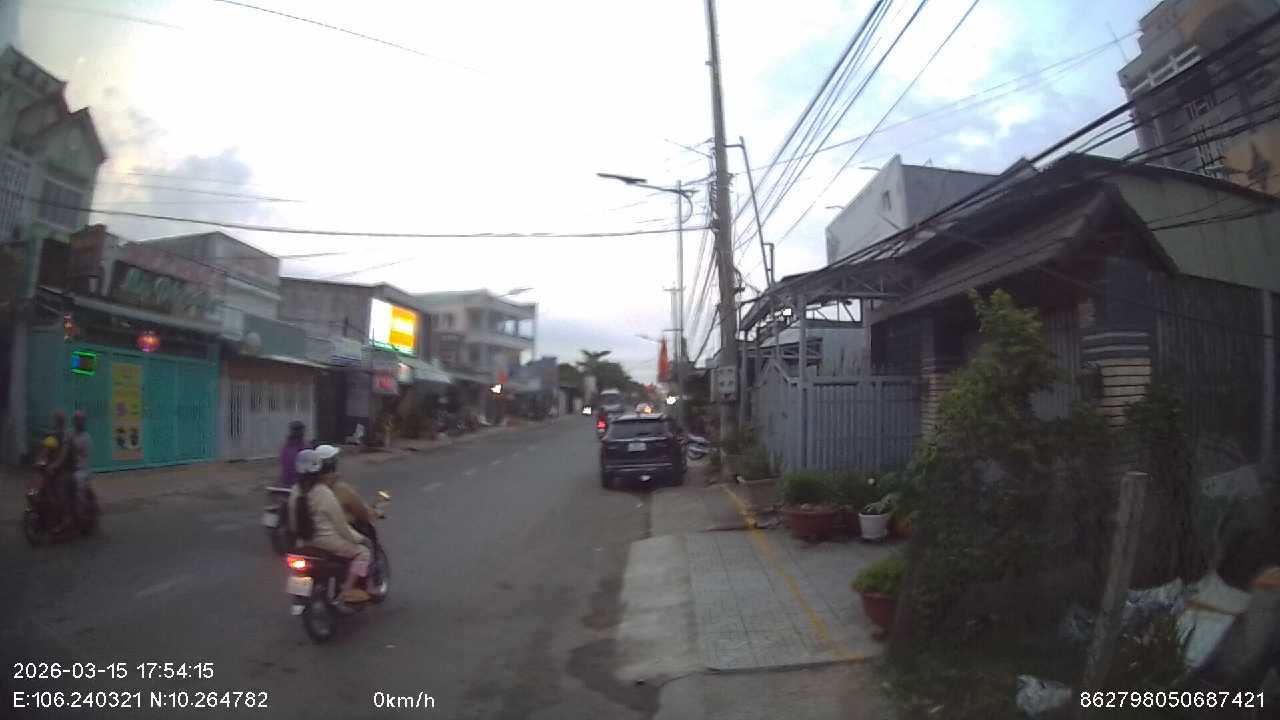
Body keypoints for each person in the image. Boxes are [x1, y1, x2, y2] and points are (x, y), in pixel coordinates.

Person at [288, 449, 372, 604]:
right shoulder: (324, 493)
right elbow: (341, 526)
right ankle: (346, 590)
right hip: (327, 543)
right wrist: (360, 539)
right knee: (364, 553)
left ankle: (301, 597)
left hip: (303, 542)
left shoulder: (294, 491)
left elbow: (293, 525)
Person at [312, 444, 382, 551]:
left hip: (310, 538)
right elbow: (362, 514)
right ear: (333, 464)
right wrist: (374, 513)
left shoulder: (306, 487)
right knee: (366, 549)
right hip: (335, 538)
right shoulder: (340, 489)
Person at [279, 421, 307, 488]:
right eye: (301, 430)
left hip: (286, 483)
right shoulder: (303, 447)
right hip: (298, 484)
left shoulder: (285, 447)